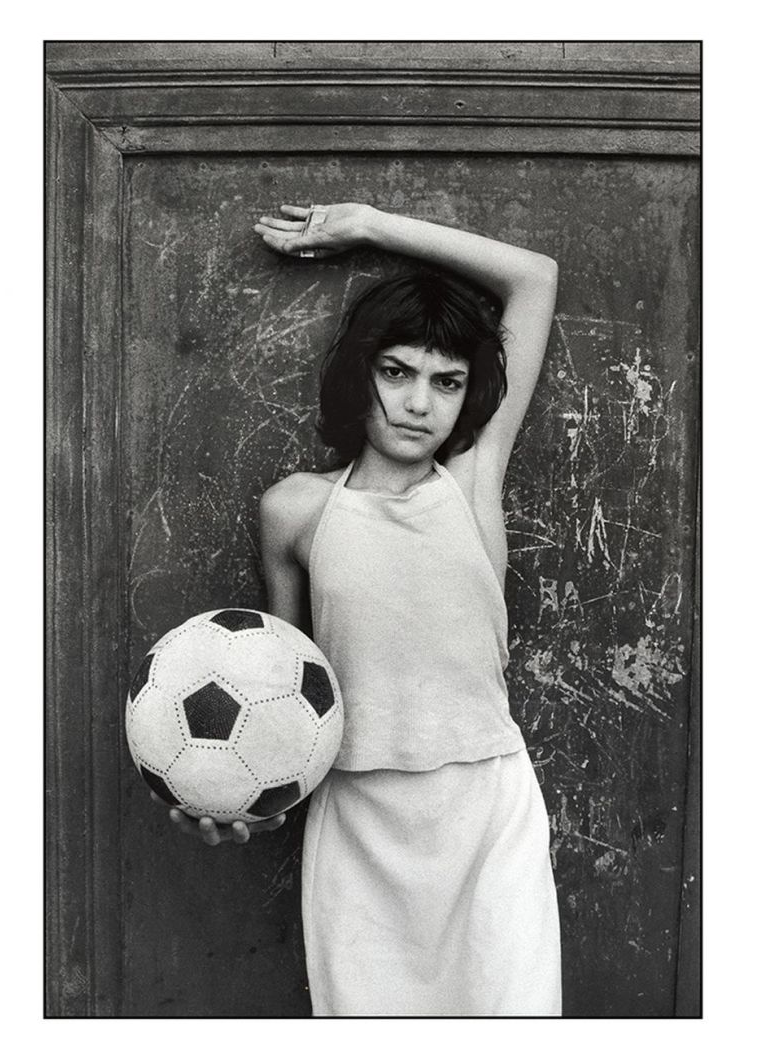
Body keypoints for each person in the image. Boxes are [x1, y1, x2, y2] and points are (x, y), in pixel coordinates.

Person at [161, 201, 561, 1016]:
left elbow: (535, 277)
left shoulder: (474, 481)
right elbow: (284, 700)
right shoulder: (296, 512)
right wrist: (238, 802)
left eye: (446, 382)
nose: (420, 402)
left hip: (487, 814)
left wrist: (370, 224)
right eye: (397, 371)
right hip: (358, 824)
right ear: (362, 375)